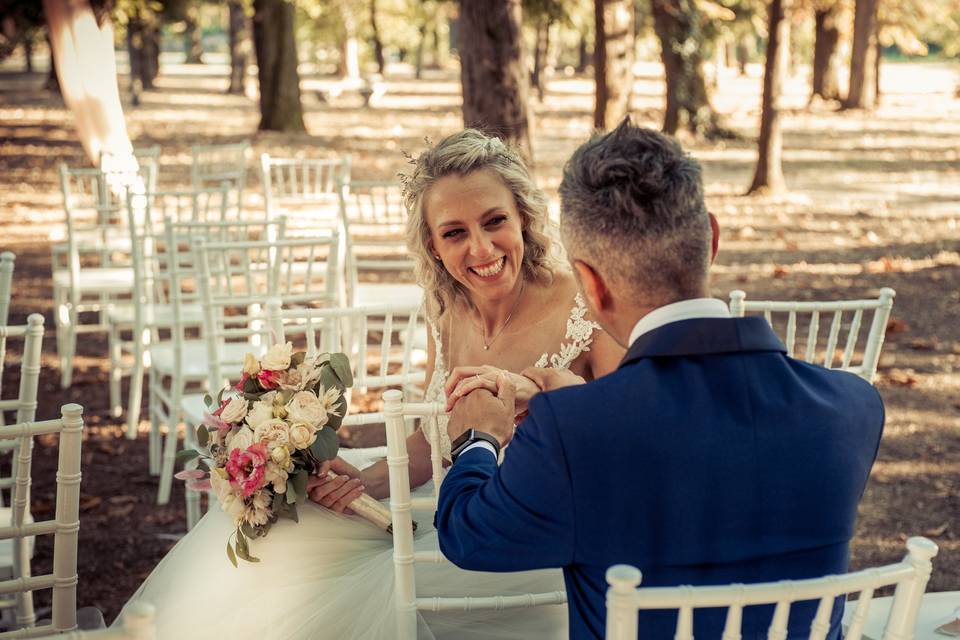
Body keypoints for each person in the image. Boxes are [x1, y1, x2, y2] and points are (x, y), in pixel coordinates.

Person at [116, 129, 622, 639]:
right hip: (446, 504)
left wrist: (553, 398)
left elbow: (631, 427)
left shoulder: (584, 303)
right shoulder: (446, 307)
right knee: (284, 546)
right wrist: (367, 483)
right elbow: (432, 438)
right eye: (454, 233)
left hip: (530, 532)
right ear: (432, 244)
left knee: (361, 588)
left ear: (524, 218)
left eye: (495, 222)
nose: (481, 248)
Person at [434, 119, 885, 640]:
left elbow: (468, 538)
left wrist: (477, 437)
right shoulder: (854, 407)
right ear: (710, 238)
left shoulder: (571, 432)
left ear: (590, 284)